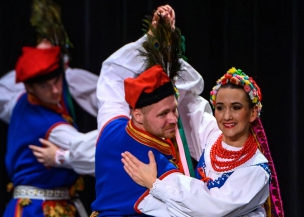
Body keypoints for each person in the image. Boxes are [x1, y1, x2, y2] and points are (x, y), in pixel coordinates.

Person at [90, 5, 221, 216]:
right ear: (138, 114)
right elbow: (205, 206)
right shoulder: (154, 164)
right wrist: (154, 183)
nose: (172, 120)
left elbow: (112, 75)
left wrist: (153, 41)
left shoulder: (110, 129)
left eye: (174, 110)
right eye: (162, 114)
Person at [0, 0, 99, 217]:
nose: (56, 90)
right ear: (28, 88)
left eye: (57, 81)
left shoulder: (17, 104)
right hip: (41, 211)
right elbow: (98, 151)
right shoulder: (51, 126)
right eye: (45, 86)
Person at [122, 67, 285, 216]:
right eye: (220, 108)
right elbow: (190, 100)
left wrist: (155, 184)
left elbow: (209, 209)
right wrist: (170, 56)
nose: (227, 116)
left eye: (236, 108)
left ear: (253, 113)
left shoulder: (255, 170)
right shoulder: (213, 136)